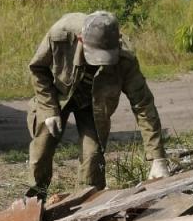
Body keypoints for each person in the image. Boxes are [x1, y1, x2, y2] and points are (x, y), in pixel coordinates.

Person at [26, 10, 169, 198]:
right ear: (80, 40)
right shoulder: (60, 35)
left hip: (93, 106)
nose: (100, 62)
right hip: (58, 95)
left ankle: (87, 203)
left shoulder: (125, 59)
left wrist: (157, 158)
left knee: (92, 155)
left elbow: (143, 105)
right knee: (42, 146)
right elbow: (38, 68)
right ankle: (34, 200)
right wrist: (48, 107)